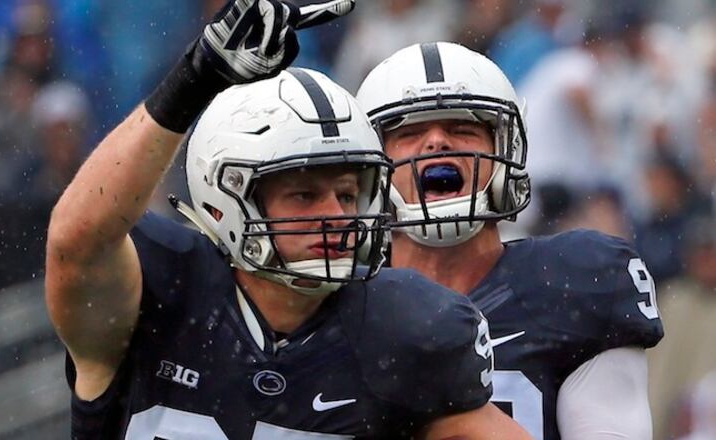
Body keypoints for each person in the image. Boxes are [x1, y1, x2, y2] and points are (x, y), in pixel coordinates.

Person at [46, 2, 531, 439]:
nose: (337, 215)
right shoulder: (162, 292)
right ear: (225, 200)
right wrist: (192, 82)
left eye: (348, 194)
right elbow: (77, 239)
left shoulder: (403, 326)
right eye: (304, 195)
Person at [357, 41, 665, 439]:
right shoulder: (341, 308)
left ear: (506, 149)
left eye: (463, 129)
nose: (436, 143)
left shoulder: (574, 284)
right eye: (410, 132)